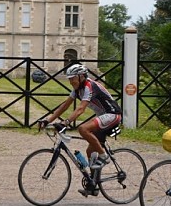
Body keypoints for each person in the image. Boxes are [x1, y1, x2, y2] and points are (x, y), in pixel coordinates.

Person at [38, 63, 122, 196]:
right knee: (90, 151)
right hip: (103, 116)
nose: (70, 81)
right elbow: (64, 106)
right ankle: (93, 186)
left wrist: (66, 122)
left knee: (83, 129)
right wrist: (48, 120)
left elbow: (81, 109)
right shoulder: (77, 89)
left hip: (113, 114)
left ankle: (104, 156)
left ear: (81, 76)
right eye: (69, 79)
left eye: (73, 78)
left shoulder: (89, 86)